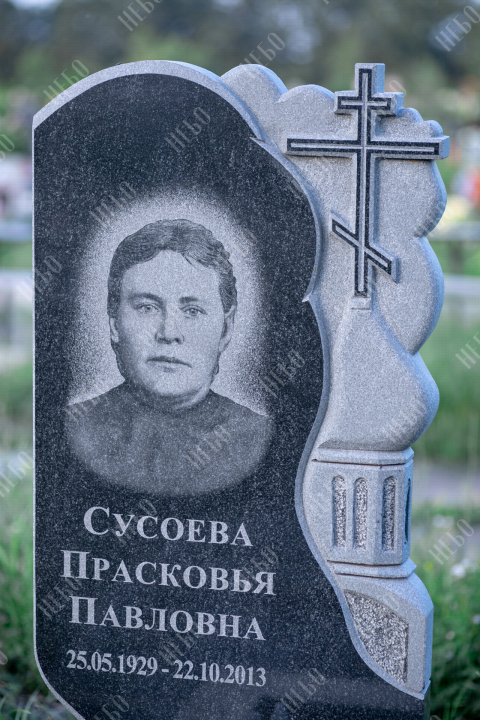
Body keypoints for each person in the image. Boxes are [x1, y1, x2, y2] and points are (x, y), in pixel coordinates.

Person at [66, 219, 272, 495]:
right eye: (147, 307)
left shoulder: (258, 437)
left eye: (192, 311)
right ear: (114, 322)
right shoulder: (74, 427)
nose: (169, 333)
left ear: (226, 328)